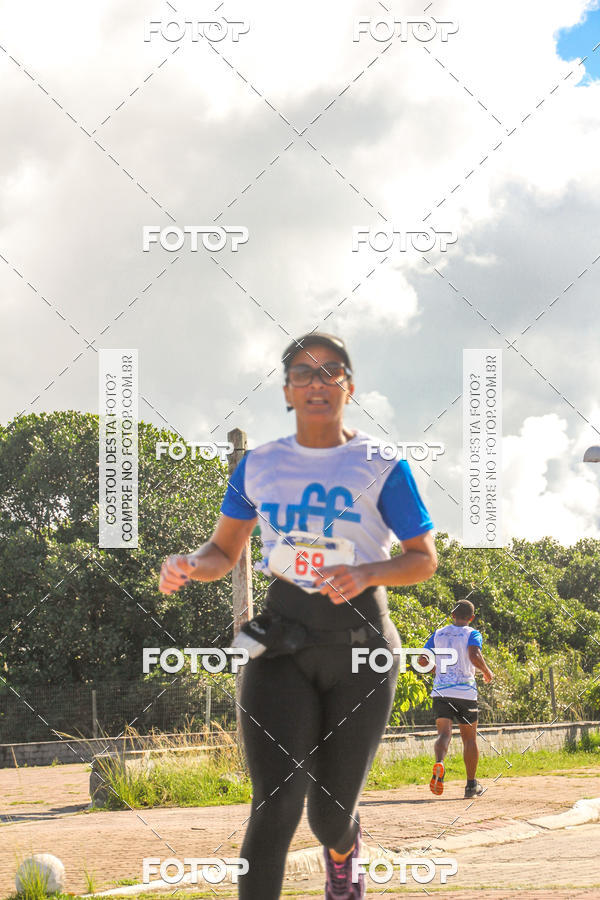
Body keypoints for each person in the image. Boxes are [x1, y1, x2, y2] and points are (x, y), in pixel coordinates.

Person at [159, 332, 437, 899]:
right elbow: (223, 552)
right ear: (287, 391)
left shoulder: (381, 464)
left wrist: (367, 571)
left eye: (331, 371)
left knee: (328, 816)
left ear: (349, 387)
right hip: (280, 645)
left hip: (361, 650)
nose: (317, 382)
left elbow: (422, 559)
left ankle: (345, 849)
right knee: (275, 803)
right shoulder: (259, 465)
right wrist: (191, 563)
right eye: (303, 373)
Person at [419, 600, 493, 800]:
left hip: (442, 692)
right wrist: (486, 671)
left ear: (452, 614)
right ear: (471, 617)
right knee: (469, 739)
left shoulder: (438, 634)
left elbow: (422, 660)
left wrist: (438, 671)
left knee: (444, 734)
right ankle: (471, 785)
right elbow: (474, 655)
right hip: (465, 693)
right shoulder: (472, 633)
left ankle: (440, 763)